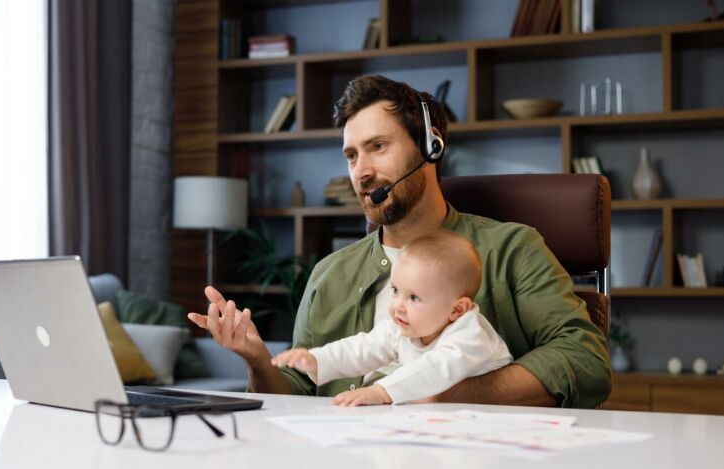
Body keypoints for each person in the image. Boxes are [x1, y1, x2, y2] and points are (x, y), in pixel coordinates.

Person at [188, 75, 611, 408]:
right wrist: (258, 359)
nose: (362, 172)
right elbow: (294, 397)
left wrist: (439, 394)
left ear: (432, 147)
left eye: (378, 146)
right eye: (352, 156)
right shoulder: (329, 274)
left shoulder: (512, 249)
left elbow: (584, 360)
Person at [270, 230, 513, 406]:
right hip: (444, 416)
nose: (398, 306)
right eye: (395, 291)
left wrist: (382, 391)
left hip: (494, 418)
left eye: (414, 298)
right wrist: (316, 359)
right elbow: (363, 348)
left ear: (457, 310)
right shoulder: (403, 327)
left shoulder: (470, 334)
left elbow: (434, 370)